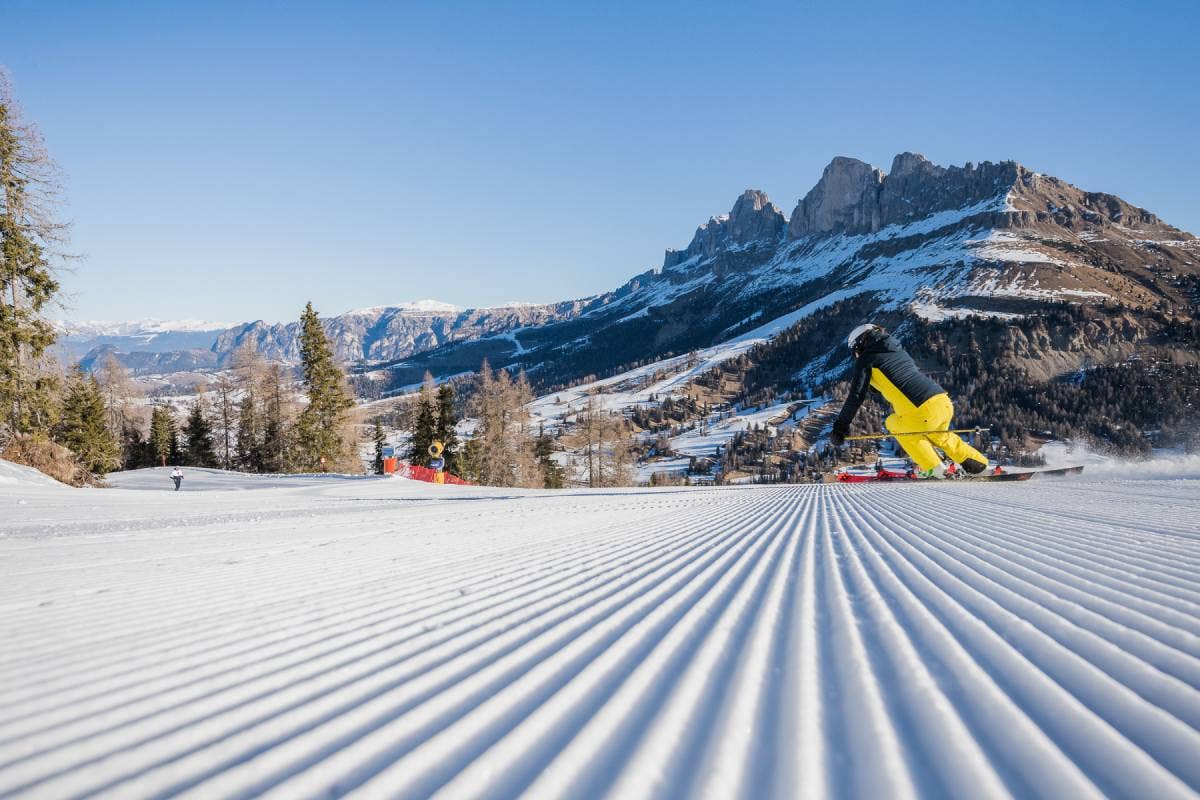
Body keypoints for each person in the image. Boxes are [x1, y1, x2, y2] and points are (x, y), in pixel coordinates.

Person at [830, 324, 988, 479]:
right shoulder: (897, 350)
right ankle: (979, 466)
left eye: (854, 352)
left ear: (859, 345)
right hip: (942, 401)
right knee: (941, 436)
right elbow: (897, 376)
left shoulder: (866, 358)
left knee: (893, 422)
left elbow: (856, 396)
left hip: (921, 410)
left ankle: (935, 468)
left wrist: (840, 427)